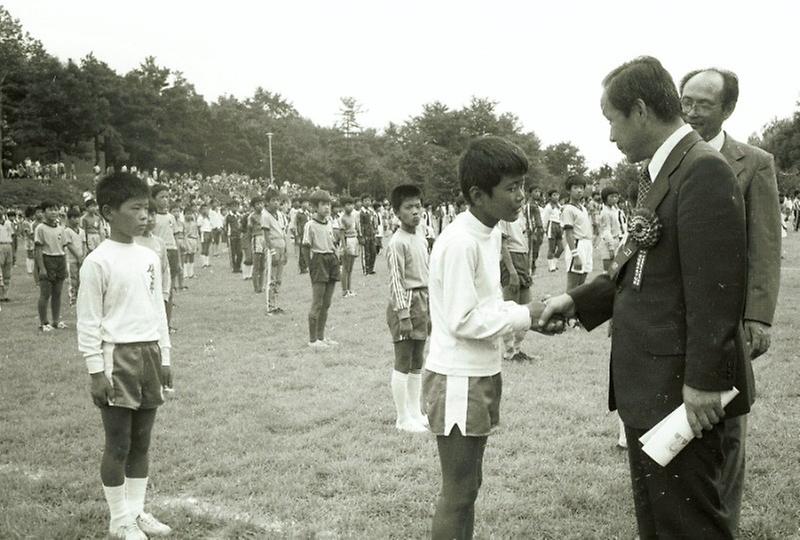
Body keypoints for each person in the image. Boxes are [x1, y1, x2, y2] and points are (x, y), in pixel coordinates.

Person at [539, 56, 752, 539]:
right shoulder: (666, 170)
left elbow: (716, 293)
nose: (610, 136)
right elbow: (639, 265)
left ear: (639, 110)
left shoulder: (702, 171)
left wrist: (701, 384)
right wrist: (578, 303)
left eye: (611, 120)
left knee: (688, 527)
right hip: (652, 388)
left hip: (680, 394)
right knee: (658, 525)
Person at [424, 136, 558, 540]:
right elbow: (463, 319)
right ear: (478, 195)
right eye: (512, 188)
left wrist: (527, 318)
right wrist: (526, 315)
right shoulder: (460, 240)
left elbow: (487, 303)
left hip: (479, 371)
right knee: (459, 492)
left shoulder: (490, 229)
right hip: (457, 378)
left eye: (523, 185)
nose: (522, 196)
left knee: (470, 487)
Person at [680, 66, 782, 532]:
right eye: (686, 100)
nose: (692, 111)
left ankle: (724, 524)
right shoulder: (668, 159)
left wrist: (757, 317)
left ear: (728, 109)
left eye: (703, 103)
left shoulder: (754, 162)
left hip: (729, 323)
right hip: (676, 319)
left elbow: (765, 245)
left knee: (727, 427)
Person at [77, 172, 173, 540]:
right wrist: (95, 371)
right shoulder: (97, 261)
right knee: (118, 443)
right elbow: (88, 321)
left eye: (148, 209)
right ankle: (119, 520)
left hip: (149, 352)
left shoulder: (148, 255)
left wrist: (165, 356)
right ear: (108, 212)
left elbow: (157, 309)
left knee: (142, 442)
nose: (145, 217)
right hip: (117, 356)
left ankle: (136, 512)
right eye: (136, 209)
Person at [385, 184, 430, 433]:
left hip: (423, 302)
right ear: (397, 213)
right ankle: (402, 418)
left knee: (417, 359)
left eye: (418, 205)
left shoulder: (420, 237)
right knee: (403, 359)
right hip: (406, 304)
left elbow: (427, 273)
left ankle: (415, 411)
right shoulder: (396, 243)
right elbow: (396, 281)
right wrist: (403, 314)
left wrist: (431, 308)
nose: (415, 211)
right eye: (408, 207)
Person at [302, 190, 340, 350]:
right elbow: (305, 247)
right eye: (323, 204)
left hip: (331, 259)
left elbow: (332, 241)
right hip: (319, 260)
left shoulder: (330, 222)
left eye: (329, 204)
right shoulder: (310, 225)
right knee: (317, 302)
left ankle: (321, 337)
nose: (327, 207)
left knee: (327, 303)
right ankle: (312, 340)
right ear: (315, 207)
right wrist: (310, 266)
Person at [498, 205, 533, 362]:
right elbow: (503, 245)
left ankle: (518, 349)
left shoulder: (521, 216)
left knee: (526, 310)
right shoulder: (503, 216)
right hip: (511, 258)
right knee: (510, 307)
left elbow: (525, 240)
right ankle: (509, 350)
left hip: (523, 257)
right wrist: (511, 271)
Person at [34, 201, 69, 332]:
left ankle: (56, 321)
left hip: (59, 260)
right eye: (50, 210)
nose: (54, 212)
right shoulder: (40, 228)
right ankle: (44, 322)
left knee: (58, 293)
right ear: (43, 212)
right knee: (45, 293)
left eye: (55, 210)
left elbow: (63, 249)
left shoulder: (61, 228)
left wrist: (65, 266)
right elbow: (38, 250)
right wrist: (42, 268)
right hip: (47, 259)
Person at [560, 176, 593, 291]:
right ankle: (566, 309)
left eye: (581, 188)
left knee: (581, 286)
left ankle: (577, 309)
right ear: (569, 190)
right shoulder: (568, 209)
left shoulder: (583, 208)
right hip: (577, 246)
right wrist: (575, 255)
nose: (579, 190)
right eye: (575, 188)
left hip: (586, 245)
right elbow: (568, 234)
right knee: (572, 288)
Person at [263, 188, 288, 314]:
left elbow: (283, 233)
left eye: (278, 200)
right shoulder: (265, 215)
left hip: (281, 246)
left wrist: (286, 250)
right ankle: (270, 306)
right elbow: (266, 236)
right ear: (267, 202)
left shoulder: (280, 215)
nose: (276, 203)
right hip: (273, 247)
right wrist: (272, 251)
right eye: (273, 200)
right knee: (271, 278)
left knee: (279, 279)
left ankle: (276, 304)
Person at [598, 186, 626, 273]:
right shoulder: (605, 212)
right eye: (611, 197)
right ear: (605, 198)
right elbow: (606, 231)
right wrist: (611, 248)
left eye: (616, 196)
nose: (614, 199)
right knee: (607, 271)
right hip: (608, 242)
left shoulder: (615, 210)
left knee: (615, 269)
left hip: (617, 240)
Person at [64, 208, 86, 306]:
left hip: (81, 258)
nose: (76, 220)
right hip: (72, 259)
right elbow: (69, 245)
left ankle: (80, 298)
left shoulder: (81, 231)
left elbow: (84, 244)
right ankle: (73, 298)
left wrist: (83, 255)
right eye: (74, 218)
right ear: (69, 219)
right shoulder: (67, 231)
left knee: (81, 278)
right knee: (73, 279)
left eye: (78, 218)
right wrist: (78, 256)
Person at [338, 196, 359, 297]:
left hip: (354, 240)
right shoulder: (343, 218)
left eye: (352, 204)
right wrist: (344, 246)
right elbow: (341, 233)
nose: (350, 207)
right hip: (347, 240)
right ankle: (344, 290)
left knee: (350, 268)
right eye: (348, 205)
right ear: (343, 206)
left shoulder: (353, 216)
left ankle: (349, 289)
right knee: (345, 267)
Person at [540, 189, 563, 272]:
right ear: (550, 197)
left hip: (558, 226)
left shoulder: (559, 206)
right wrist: (544, 229)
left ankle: (554, 263)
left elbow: (561, 216)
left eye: (557, 195)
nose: (556, 197)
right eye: (554, 195)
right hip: (551, 226)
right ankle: (551, 267)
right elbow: (544, 219)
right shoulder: (548, 207)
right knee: (552, 248)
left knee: (561, 248)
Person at [248, 197, 266, 293]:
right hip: (256, 238)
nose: (260, 206)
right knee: (256, 264)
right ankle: (256, 287)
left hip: (264, 238)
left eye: (261, 203)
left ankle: (261, 285)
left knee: (263, 264)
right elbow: (249, 229)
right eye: (257, 204)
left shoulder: (265, 215)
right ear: (253, 206)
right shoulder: (252, 217)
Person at [0, 205, 15, 302]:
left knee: (7, 270)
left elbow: (13, 236)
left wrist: (14, 251)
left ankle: (5, 294)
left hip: (8, 245)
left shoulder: (8, 223)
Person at [359, 195, 377, 274]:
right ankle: (366, 269)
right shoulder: (361, 213)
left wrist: (374, 231)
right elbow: (360, 225)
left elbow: (373, 222)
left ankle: (371, 268)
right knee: (366, 253)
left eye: (369, 201)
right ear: (362, 202)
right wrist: (362, 236)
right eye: (365, 201)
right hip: (365, 234)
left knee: (373, 252)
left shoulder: (371, 211)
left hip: (371, 234)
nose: (367, 202)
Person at [225, 203, 242, 273]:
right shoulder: (228, 217)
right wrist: (227, 235)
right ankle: (234, 267)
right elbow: (226, 227)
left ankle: (238, 265)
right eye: (233, 207)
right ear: (231, 207)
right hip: (231, 236)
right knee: (233, 252)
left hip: (238, 235)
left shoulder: (239, 216)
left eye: (236, 207)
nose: (235, 208)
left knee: (240, 252)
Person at [182, 207, 199, 279]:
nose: (189, 216)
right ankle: (185, 273)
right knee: (186, 256)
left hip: (193, 240)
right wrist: (185, 243)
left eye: (190, 214)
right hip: (187, 240)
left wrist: (197, 243)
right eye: (187, 214)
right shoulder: (183, 224)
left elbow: (197, 233)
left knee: (192, 256)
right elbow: (183, 234)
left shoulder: (194, 223)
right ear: (184, 215)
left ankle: (191, 273)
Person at [197, 204, 213, 268]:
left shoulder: (208, 217)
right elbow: (198, 225)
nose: (205, 210)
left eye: (206, 209)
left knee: (208, 247)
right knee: (204, 247)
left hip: (209, 232)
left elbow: (211, 225)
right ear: (201, 210)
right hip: (204, 232)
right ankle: (203, 263)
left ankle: (207, 262)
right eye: (204, 209)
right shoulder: (200, 217)